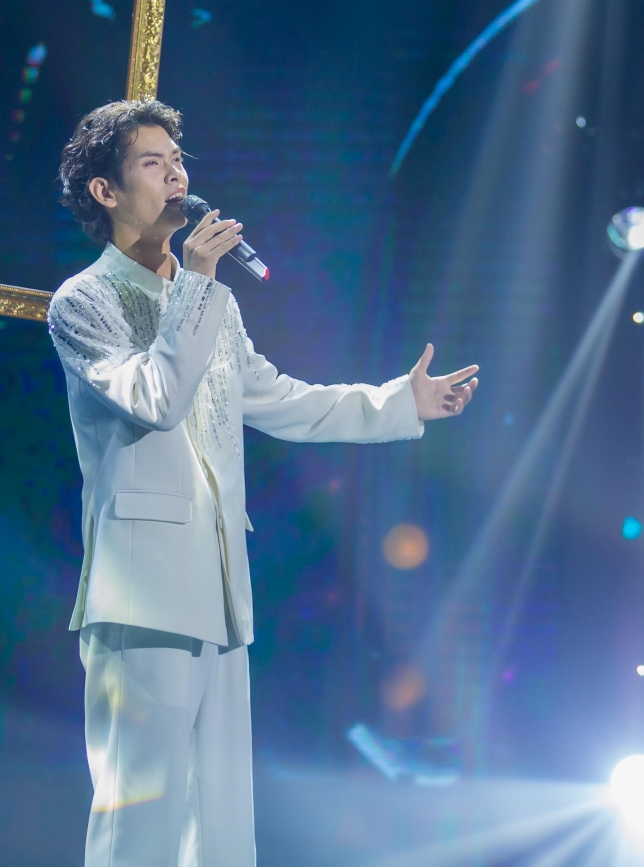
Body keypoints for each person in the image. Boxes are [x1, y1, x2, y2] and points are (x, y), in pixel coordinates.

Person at [47, 99, 478, 867]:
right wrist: (198, 283)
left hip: (219, 594)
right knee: (138, 820)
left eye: (179, 161)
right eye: (152, 163)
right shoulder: (83, 302)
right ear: (105, 191)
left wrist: (397, 402)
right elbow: (155, 398)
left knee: (219, 828)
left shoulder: (212, 303)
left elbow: (281, 400)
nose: (177, 176)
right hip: (140, 596)